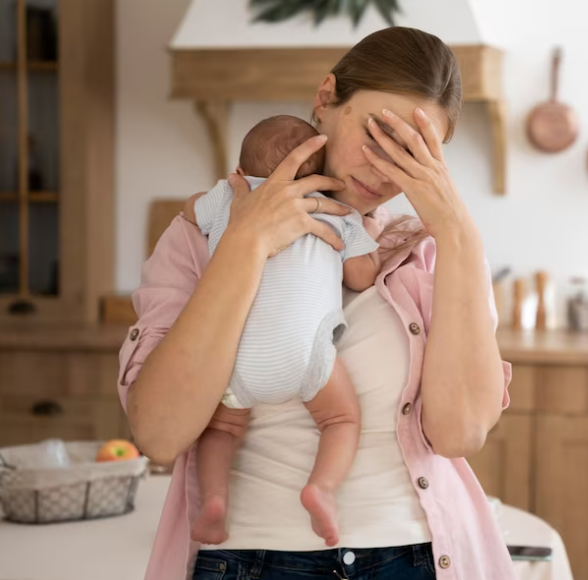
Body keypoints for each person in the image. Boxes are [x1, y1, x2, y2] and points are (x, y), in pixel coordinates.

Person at [118, 26, 517, 580]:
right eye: (378, 137)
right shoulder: (201, 235)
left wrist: (457, 231)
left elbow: (459, 432)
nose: (384, 171)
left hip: (415, 558)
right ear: (326, 99)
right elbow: (160, 433)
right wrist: (246, 244)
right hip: (245, 561)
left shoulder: (424, 252)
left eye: (414, 156)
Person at [183, 114, 381, 547]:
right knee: (341, 418)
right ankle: (321, 489)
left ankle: (214, 501)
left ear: (239, 173)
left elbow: (187, 212)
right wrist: (364, 235)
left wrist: (222, 192)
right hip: (304, 354)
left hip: (234, 354)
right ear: (323, 177)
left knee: (220, 430)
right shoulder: (338, 212)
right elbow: (363, 276)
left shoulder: (228, 198)